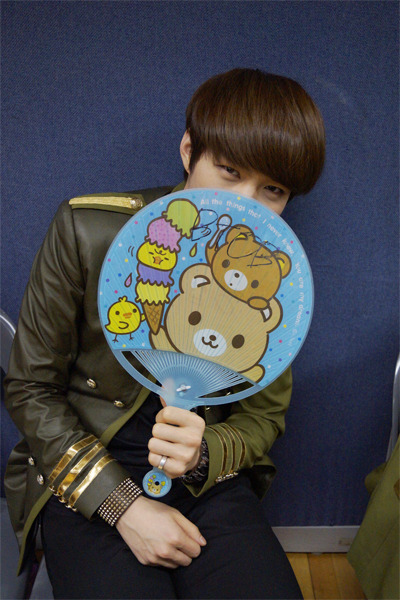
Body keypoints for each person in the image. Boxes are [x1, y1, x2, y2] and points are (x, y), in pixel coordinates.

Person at [4, 68, 325, 599]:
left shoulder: (273, 274)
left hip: (204, 482)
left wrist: (203, 455)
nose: (245, 204)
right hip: (84, 473)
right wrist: (121, 504)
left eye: (273, 189)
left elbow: (263, 417)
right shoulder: (87, 229)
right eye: (228, 171)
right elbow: (30, 388)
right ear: (188, 150)